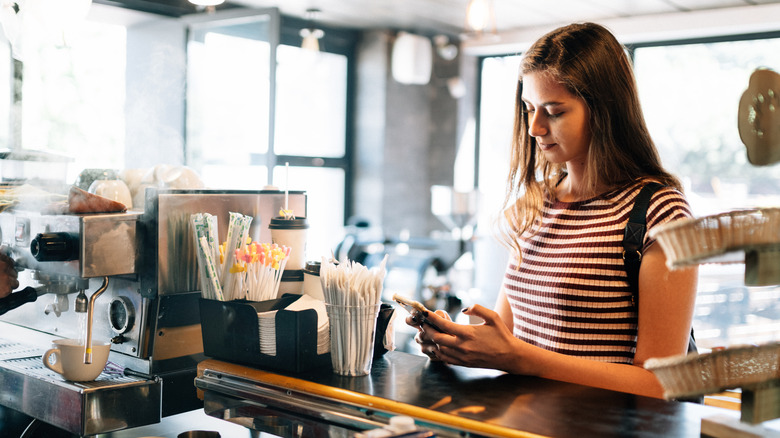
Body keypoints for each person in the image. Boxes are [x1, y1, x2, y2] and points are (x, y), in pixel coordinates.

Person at [407, 22, 698, 399]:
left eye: (554, 111)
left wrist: (523, 359)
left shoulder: (661, 213)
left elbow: (661, 383)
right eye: (529, 108)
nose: (534, 127)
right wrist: (459, 343)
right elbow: (509, 341)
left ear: (605, 111)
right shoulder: (536, 203)